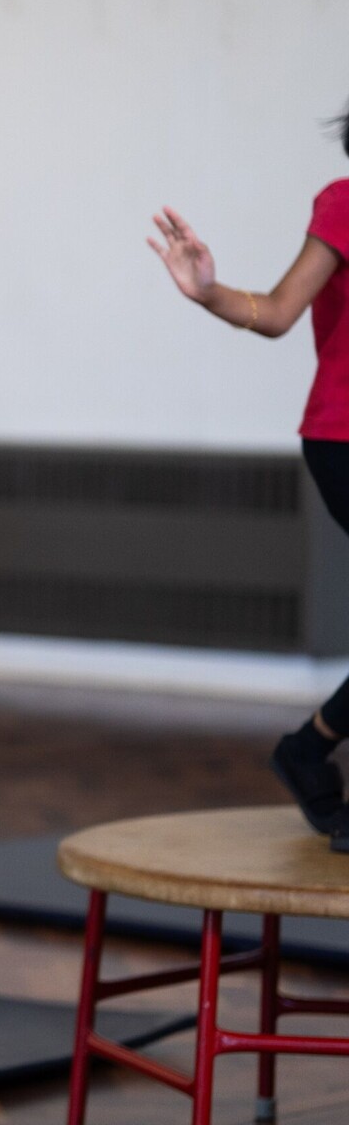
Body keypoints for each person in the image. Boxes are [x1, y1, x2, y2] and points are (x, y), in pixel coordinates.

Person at [150, 121, 349, 852]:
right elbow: (276, 311)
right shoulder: (345, 204)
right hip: (344, 438)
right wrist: (208, 293)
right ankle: (306, 750)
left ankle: (308, 749)